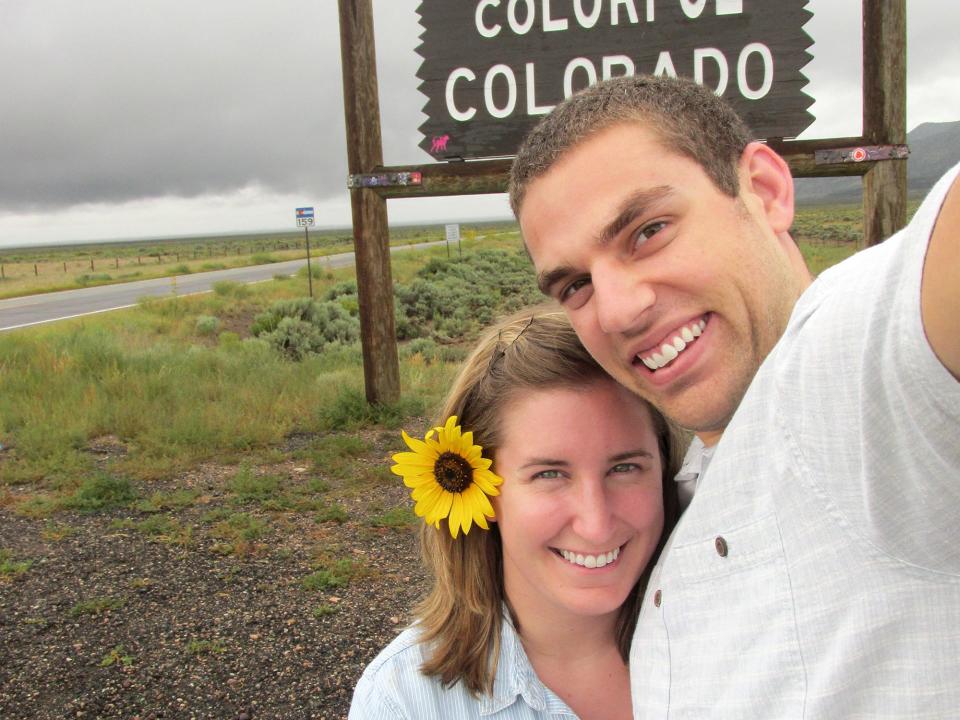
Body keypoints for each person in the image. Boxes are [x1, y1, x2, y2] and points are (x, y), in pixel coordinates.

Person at [509, 74, 960, 717]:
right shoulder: (685, 478)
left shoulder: (856, 374)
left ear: (767, 192)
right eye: (575, 285)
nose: (616, 312)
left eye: (647, 230)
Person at [349, 310, 685, 719]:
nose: (596, 525)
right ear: (480, 493)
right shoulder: (405, 702)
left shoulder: (734, 639)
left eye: (625, 468)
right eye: (549, 474)